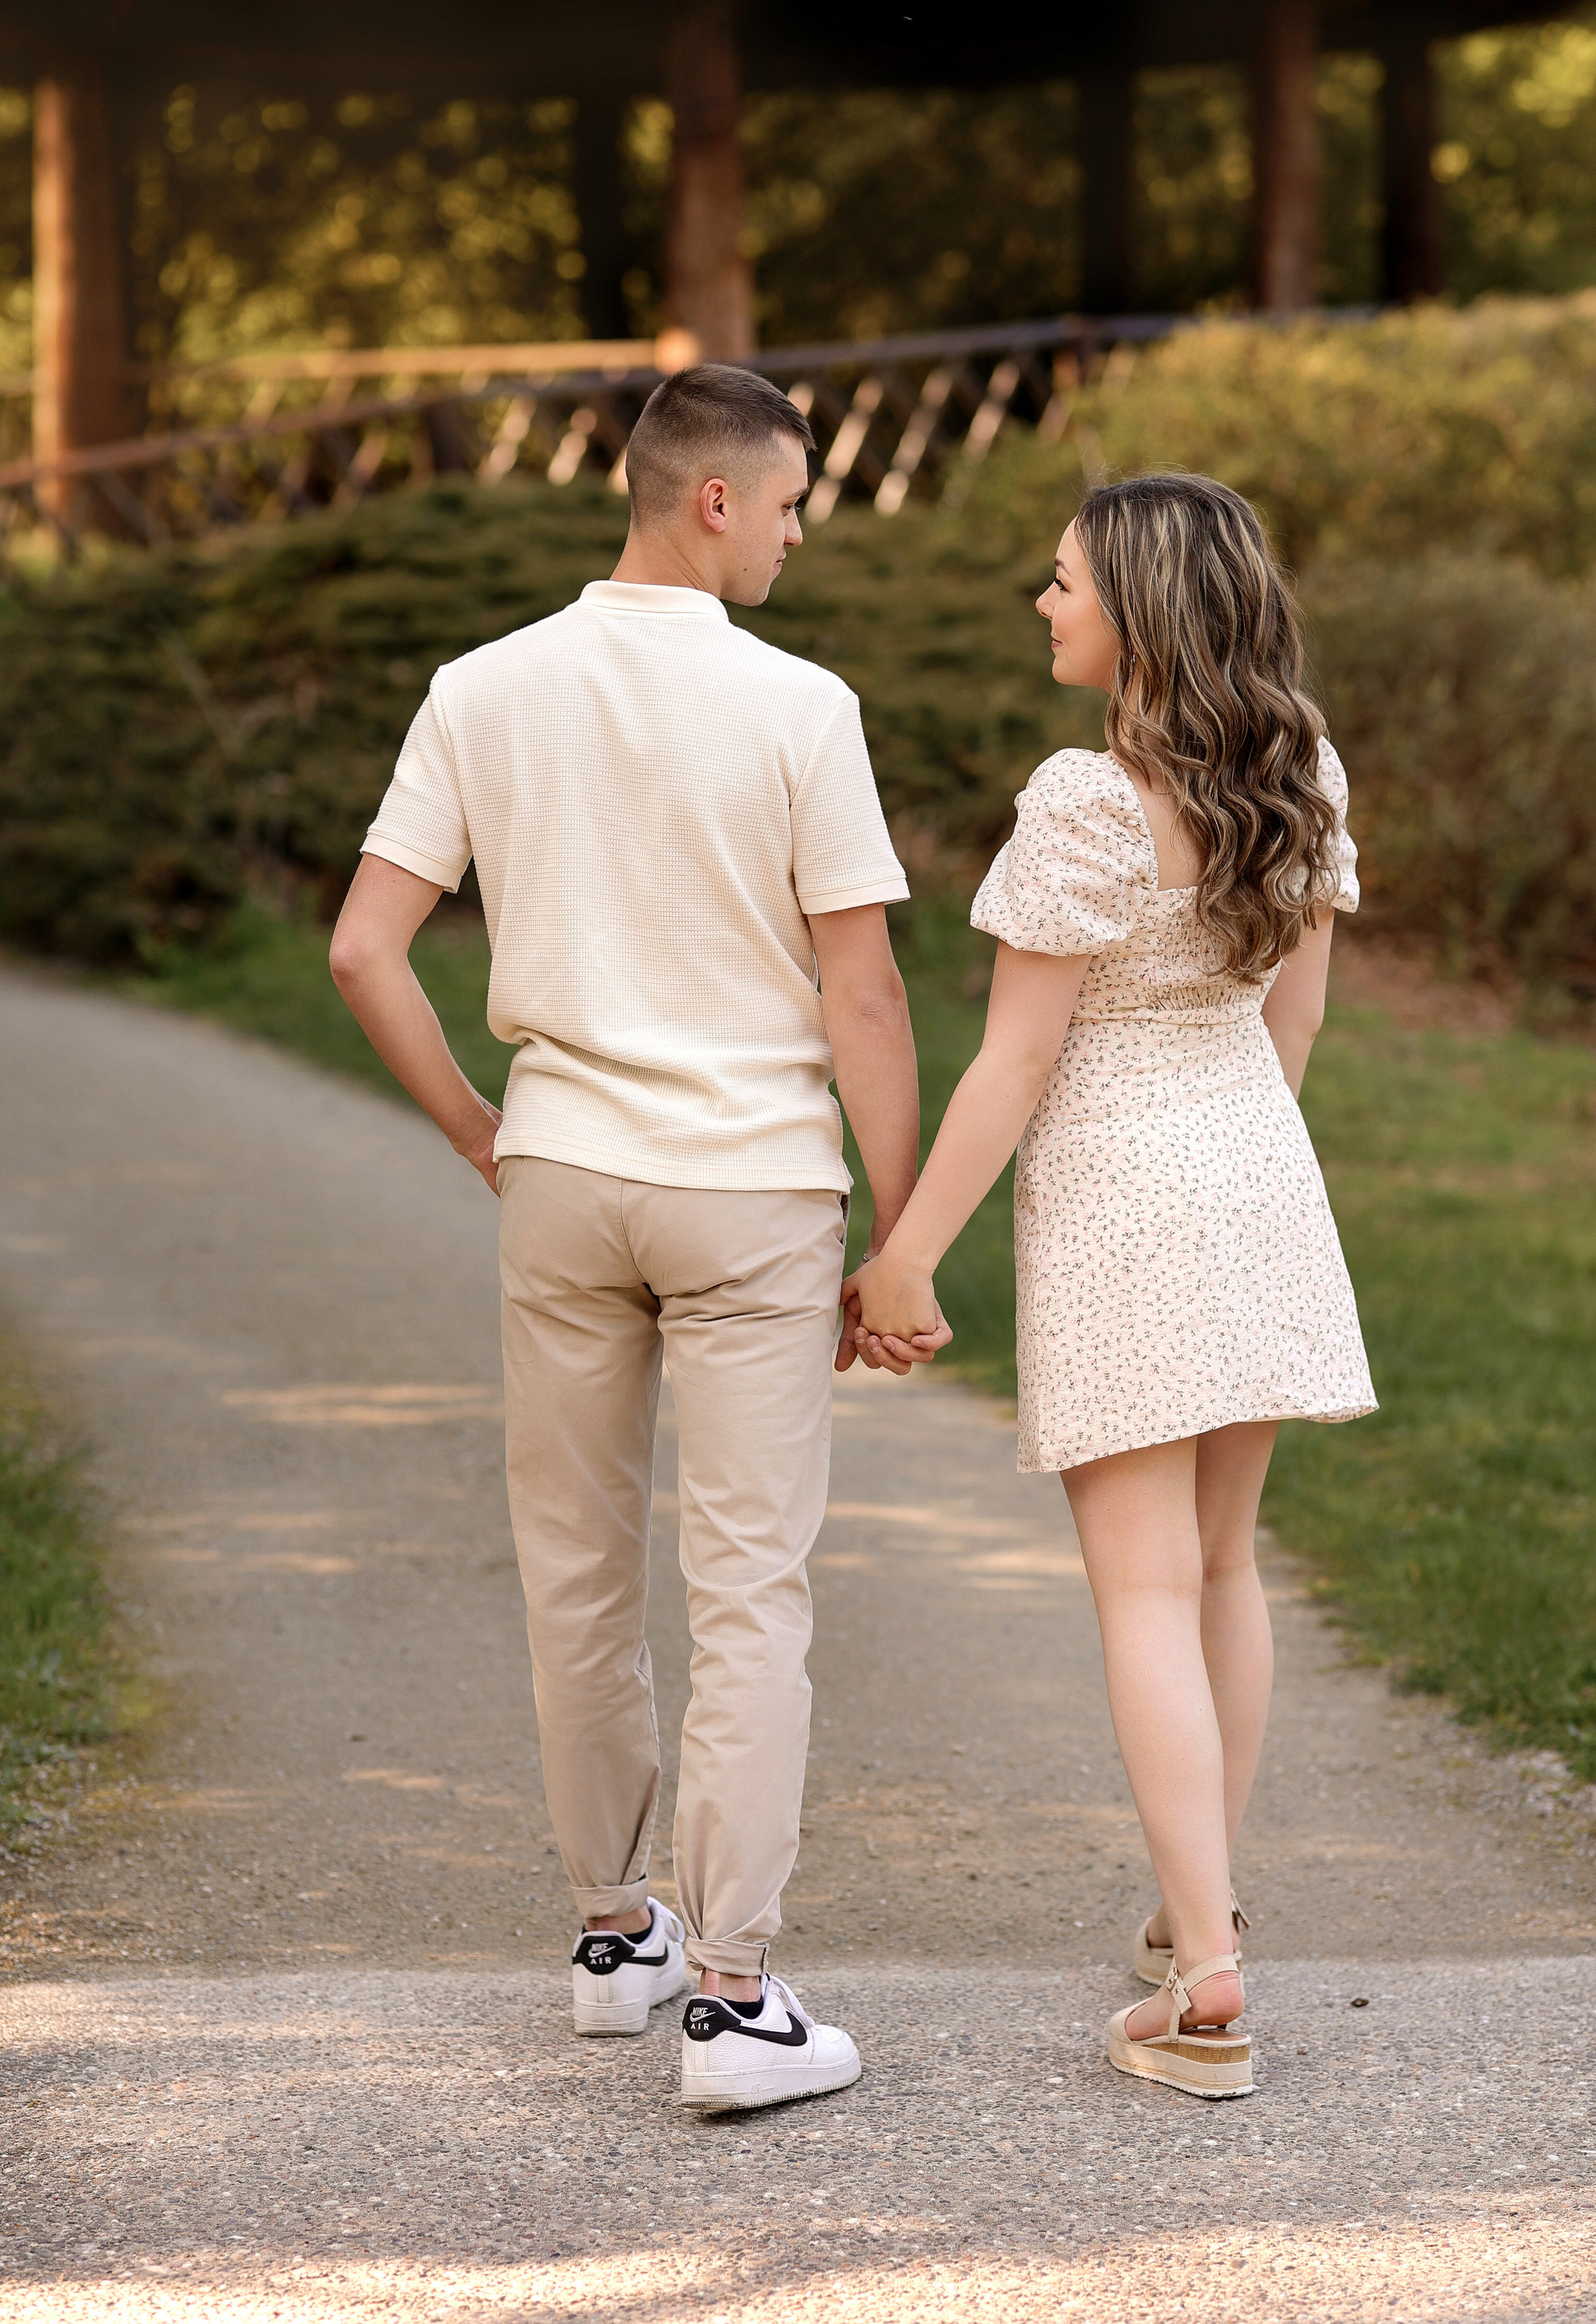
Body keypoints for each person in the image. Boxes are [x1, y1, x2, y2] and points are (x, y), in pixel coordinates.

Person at [330, 363, 944, 2113]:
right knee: (747, 1583)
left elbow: (365, 951)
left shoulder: (482, 686)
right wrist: (897, 1238)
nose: (806, 531)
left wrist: (478, 1128)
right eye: (798, 499)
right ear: (713, 501)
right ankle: (734, 2003)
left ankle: (616, 1939)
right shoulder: (801, 709)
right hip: (750, 1185)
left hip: (565, 1176)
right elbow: (863, 990)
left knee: (575, 1565)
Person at [844, 472, 1375, 2100]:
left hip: (1125, 1189)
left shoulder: (1083, 797)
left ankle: (1206, 1982)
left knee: (1141, 1587)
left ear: (1138, 609)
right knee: (1222, 1566)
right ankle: (1187, 1902)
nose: (1042, 600)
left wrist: (909, 1247)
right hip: (1256, 1169)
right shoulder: (1298, 769)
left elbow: (1017, 1058)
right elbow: (1292, 1028)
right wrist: (1243, 1168)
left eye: (1061, 579)